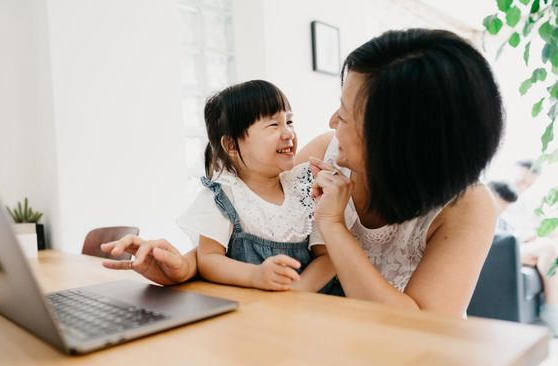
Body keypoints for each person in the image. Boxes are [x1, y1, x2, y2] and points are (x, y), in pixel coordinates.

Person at [101, 29, 503, 317]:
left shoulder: (466, 208)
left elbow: (419, 328)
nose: (330, 121)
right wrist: (183, 266)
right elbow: (255, 218)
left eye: (345, 114)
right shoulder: (324, 153)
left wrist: (333, 225)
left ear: (396, 140)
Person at [105, 80, 342, 294]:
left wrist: (297, 290)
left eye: (289, 121)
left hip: (311, 305)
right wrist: (256, 275)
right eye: (273, 125)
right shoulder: (225, 194)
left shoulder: (305, 187)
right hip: (255, 310)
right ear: (230, 144)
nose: (288, 132)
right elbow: (208, 259)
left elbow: (327, 256)